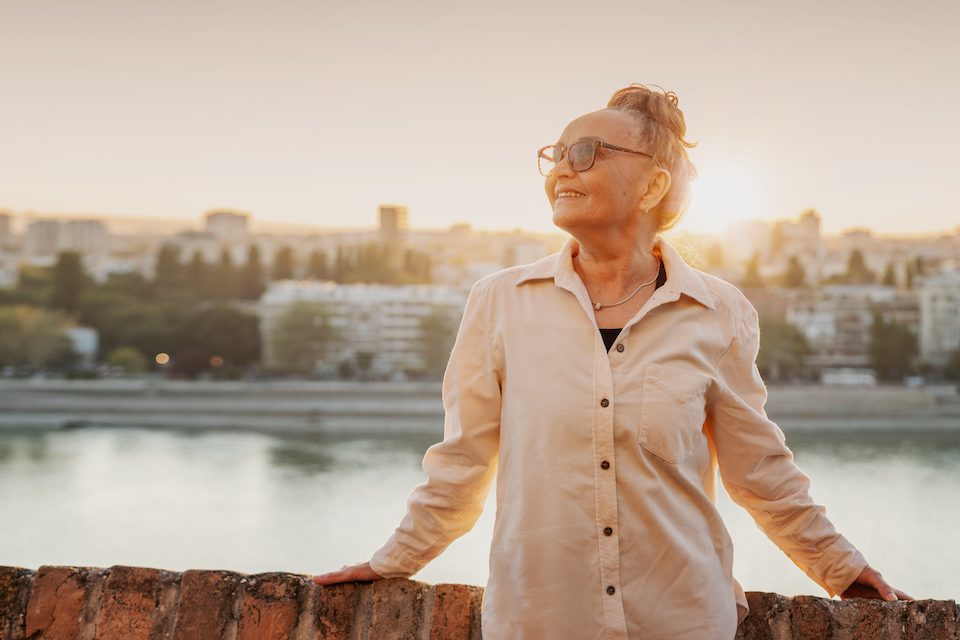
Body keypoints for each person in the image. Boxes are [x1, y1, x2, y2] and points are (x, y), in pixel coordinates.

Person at [312, 83, 912, 639]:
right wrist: (391, 562)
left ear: (652, 186)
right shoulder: (498, 302)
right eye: (556, 155)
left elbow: (761, 472)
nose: (562, 171)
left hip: (683, 621)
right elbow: (462, 463)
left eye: (587, 152)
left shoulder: (719, 312)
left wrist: (845, 573)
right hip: (538, 622)